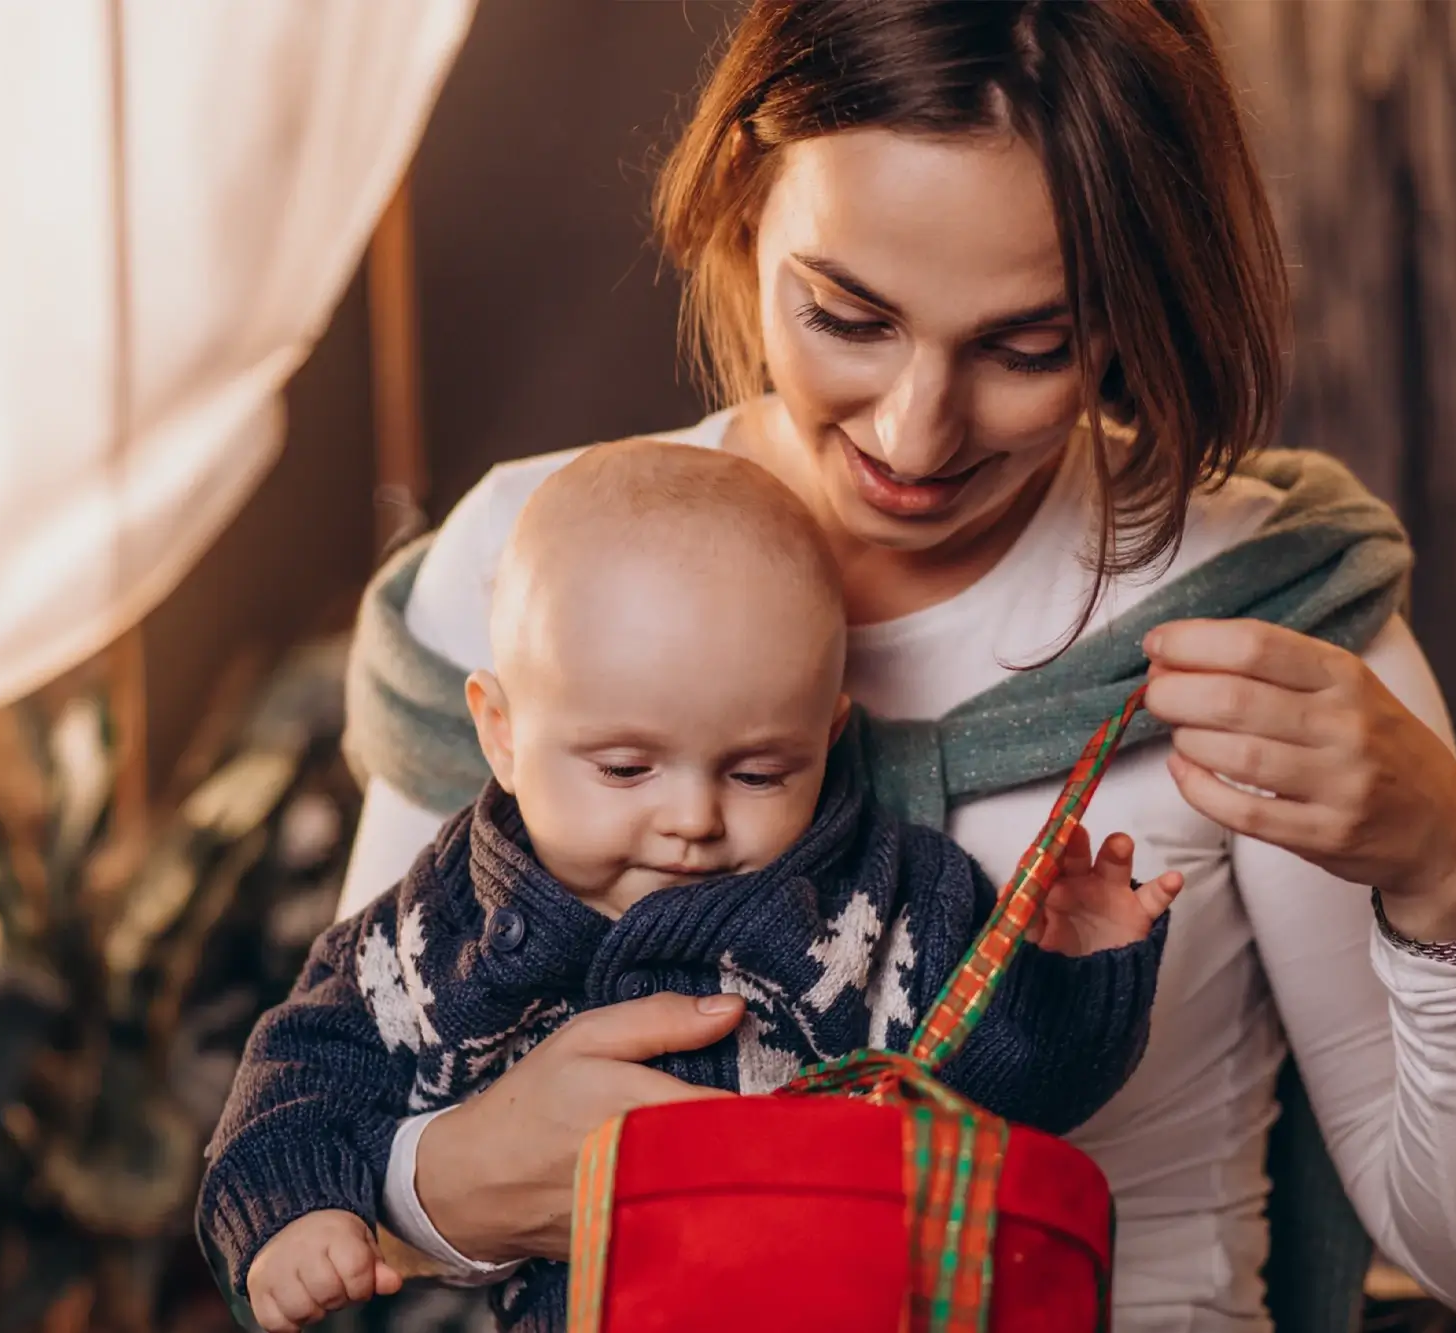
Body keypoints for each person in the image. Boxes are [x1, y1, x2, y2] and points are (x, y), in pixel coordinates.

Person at [335, 2, 1456, 1329]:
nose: (916, 430)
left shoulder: (1263, 622)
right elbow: (326, 1141)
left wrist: (1449, 868)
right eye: (847, 314)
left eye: (1027, 346)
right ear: (741, 203)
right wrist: (455, 1183)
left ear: (1133, 307)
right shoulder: (526, 566)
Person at [204, 440, 1183, 1331]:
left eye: (759, 772)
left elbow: (1015, 1092)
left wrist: (1072, 974)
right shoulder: (446, 925)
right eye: (626, 769)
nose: (693, 819)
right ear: (500, 733)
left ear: (827, 735)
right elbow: (303, 1066)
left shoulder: (882, 904)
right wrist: (293, 1206)